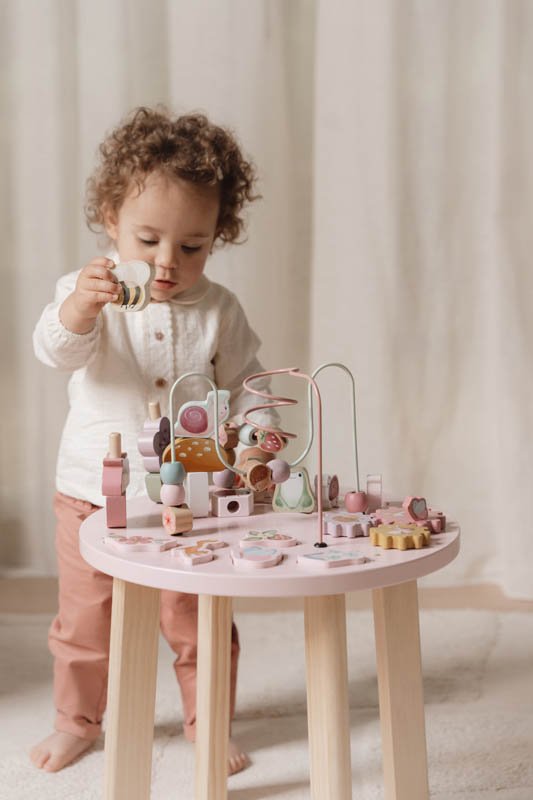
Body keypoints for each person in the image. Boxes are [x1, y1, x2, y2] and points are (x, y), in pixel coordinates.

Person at [31, 106, 274, 774]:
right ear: (111, 219)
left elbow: (249, 384)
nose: (167, 263)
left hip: (187, 501)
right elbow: (54, 350)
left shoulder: (219, 309)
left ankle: (207, 724)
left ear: (216, 236)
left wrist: (257, 439)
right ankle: (76, 721)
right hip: (91, 492)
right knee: (85, 622)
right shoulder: (86, 292)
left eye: (192, 247)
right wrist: (81, 308)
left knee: (198, 619)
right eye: (147, 240)